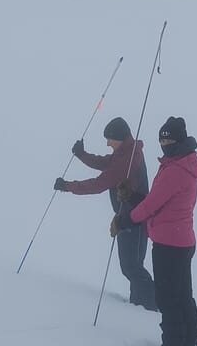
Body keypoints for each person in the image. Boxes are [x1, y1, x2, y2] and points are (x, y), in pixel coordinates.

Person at [111, 117, 197, 346]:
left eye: (169, 140)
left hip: (169, 243)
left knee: (168, 299)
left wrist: (126, 219)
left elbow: (153, 205)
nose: (164, 144)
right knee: (182, 295)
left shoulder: (176, 169)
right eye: (161, 140)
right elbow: (157, 198)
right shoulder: (181, 163)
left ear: (179, 140)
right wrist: (133, 197)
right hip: (180, 240)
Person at [54, 117, 156, 310]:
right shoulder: (126, 152)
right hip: (130, 217)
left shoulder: (127, 159)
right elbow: (104, 163)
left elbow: (98, 184)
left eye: (110, 139)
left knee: (131, 266)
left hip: (133, 219)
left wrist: (67, 186)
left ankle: (151, 307)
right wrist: (81, 154)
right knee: (132, 265)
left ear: (119, 138)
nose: (107, 143)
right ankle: (139, 305)